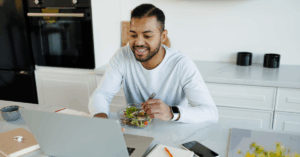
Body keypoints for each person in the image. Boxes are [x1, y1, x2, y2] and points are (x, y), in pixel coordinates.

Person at [89, 3, 218, 123]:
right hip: (138, 129)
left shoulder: (181, 64)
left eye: (147, 36)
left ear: (163, 36)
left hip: (173, 134)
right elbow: (102, 94)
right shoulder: (122, 56)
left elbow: (211, 113)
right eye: (133, 35)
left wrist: (171, 112)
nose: (139, 42)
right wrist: (102, 123)